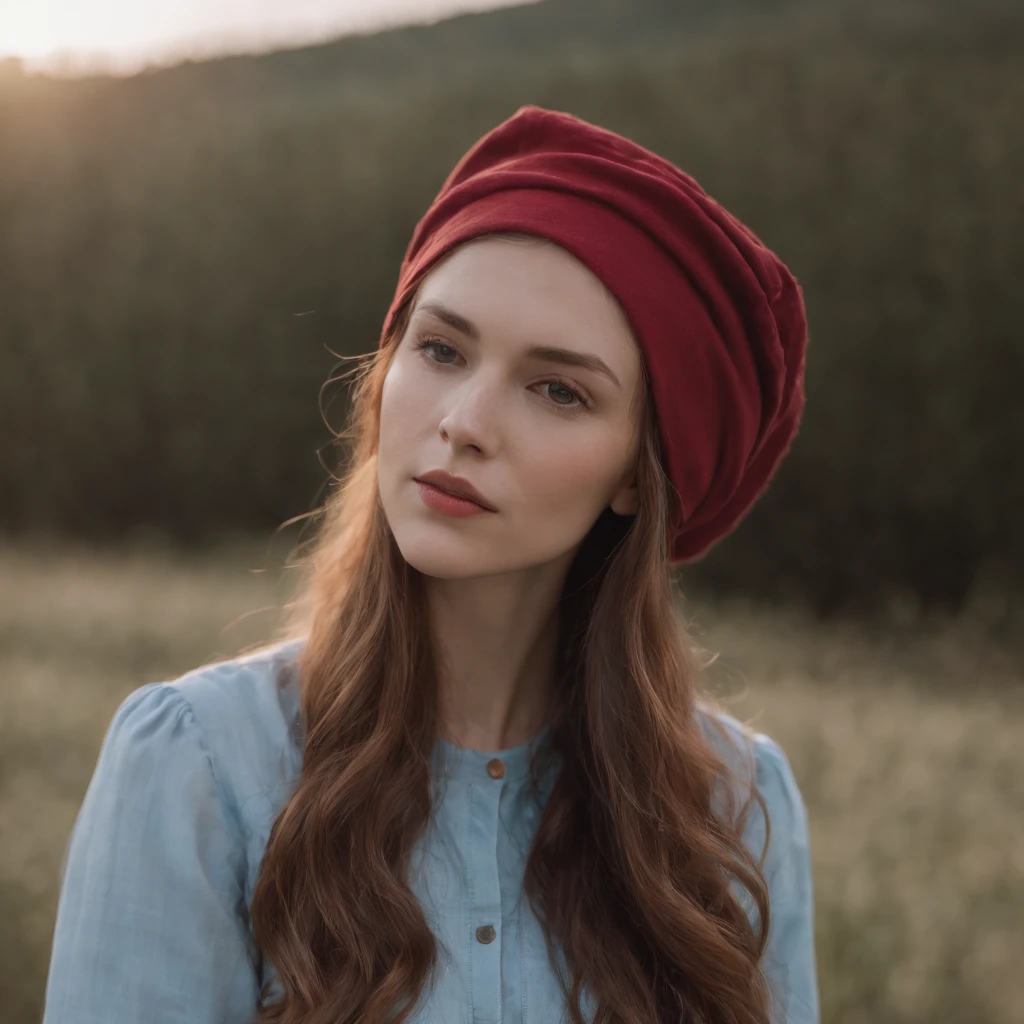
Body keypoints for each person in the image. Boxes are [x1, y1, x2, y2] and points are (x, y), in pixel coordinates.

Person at [42, 105, 818, 1024]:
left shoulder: (735, 806)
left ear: (637, 479)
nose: (465, 422)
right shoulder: (200, 767)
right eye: (442, 349)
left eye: (558, 390)